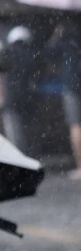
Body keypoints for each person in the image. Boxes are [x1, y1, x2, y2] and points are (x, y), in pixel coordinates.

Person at [47, 22, 81, 179]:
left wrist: (55, 36)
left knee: (76, 125)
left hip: (71, 86)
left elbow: (49, 53)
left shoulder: (64, 41)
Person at [1, 26, 39, 155]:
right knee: (28, 133)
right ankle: (29, 156)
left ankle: (19, 162)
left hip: (10, 99)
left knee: (14, 135)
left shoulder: (7, 53)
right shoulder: (32, 54)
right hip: (28, 98)